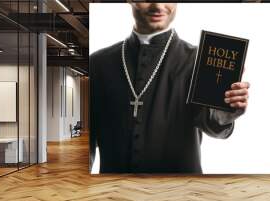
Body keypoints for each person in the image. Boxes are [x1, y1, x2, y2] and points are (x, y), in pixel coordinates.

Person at [90, 3, 250, 173]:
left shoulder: (199, 60)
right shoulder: (98, 63)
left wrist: (223, 115)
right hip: (114, 193)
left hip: (182, 193)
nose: (158, 6)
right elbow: (88, 142)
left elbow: (212, 124)